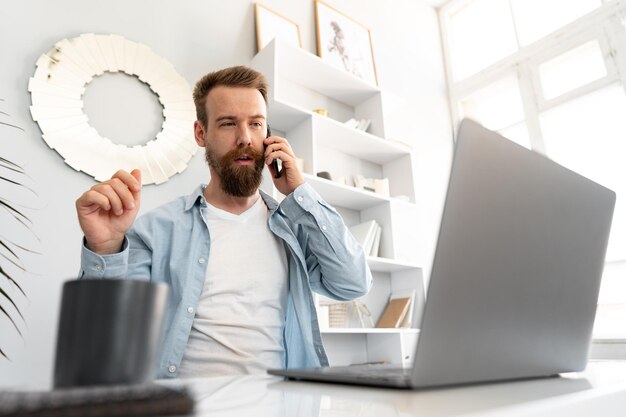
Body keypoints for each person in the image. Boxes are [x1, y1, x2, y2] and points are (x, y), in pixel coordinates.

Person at [75, 65, 372, 379]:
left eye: (256, 124)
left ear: (268, 135)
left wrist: (300, 192)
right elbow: (104, 335)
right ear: (201, 134)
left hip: (281, 405)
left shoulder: (295, 229)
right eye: (229, 123)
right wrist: (105, 248)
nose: (245, 138)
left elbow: (352, 283)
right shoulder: (156, 230)